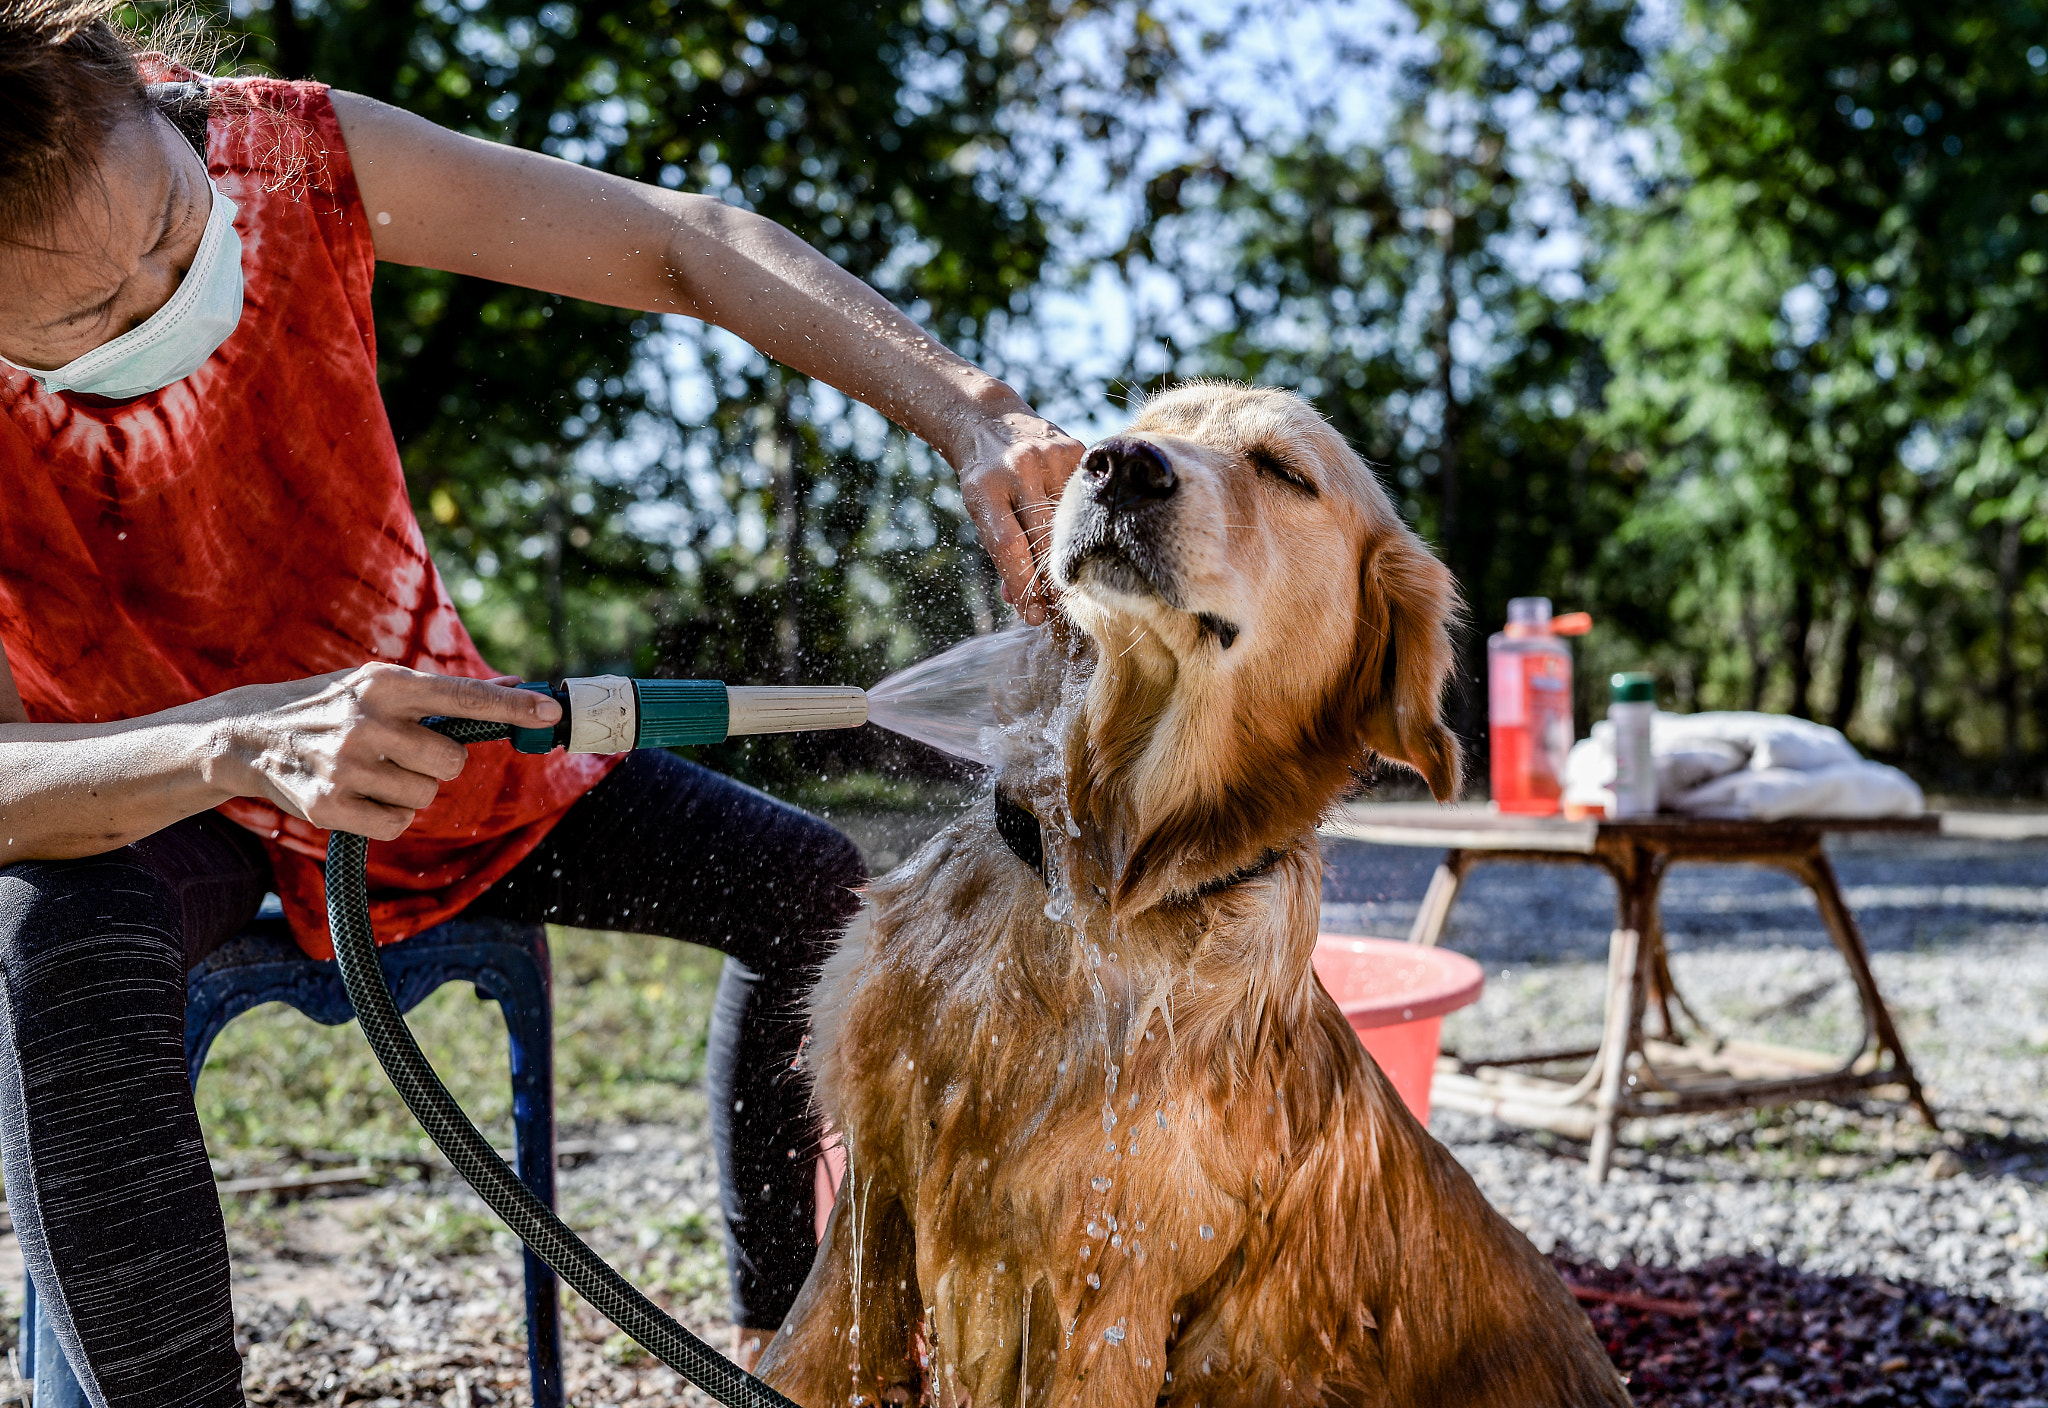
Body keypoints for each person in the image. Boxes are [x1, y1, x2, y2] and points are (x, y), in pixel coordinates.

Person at [0, 0, 1083, 1402]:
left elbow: (681, 241)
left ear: (159, 101)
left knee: (810, 885)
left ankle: (786, 1349)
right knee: (50, 935)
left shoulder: (288, 153)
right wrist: (237, 745)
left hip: (420, 735)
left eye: (168, 227)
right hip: (147, 782)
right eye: (89, 314)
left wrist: (969, 405)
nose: (161, 303)